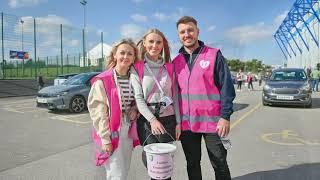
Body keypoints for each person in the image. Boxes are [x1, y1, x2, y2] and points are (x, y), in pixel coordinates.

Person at [172, 16, 235, 180]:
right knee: (192, 164)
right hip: (187, 125)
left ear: (197, 32)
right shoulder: (175, 62)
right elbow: (173, 94)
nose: (187, 34)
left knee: (219, 163)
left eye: (190, 30)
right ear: (179, 35)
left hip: (213, 123)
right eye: (182, 32)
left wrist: (225, 117)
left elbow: (227, 88)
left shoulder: (214, 55)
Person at [131, 29, 181, 180]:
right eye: (151, 41)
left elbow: (175, 96)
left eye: (158, 42)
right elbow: (138, 98)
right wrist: (152, 120)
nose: (155, 45)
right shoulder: (137, 67)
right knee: (154, 163)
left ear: (163, 45)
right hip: (148, 121)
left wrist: (178, 122)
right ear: (144, 44)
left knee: (165, 164)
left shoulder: (170, 67)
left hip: (168, 119)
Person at [87, 39, 140, 180]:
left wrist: (135, 108)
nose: (126, 56)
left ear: (134, 58)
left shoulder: (134, 79)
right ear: (115, 55)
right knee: (116, 173)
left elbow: (137, 101)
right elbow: (98, 113)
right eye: (122, 52)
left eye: (130, 54)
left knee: (124, 170)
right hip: (111, 132)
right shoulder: (103, 80)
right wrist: (105, 139)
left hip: (128, 129)